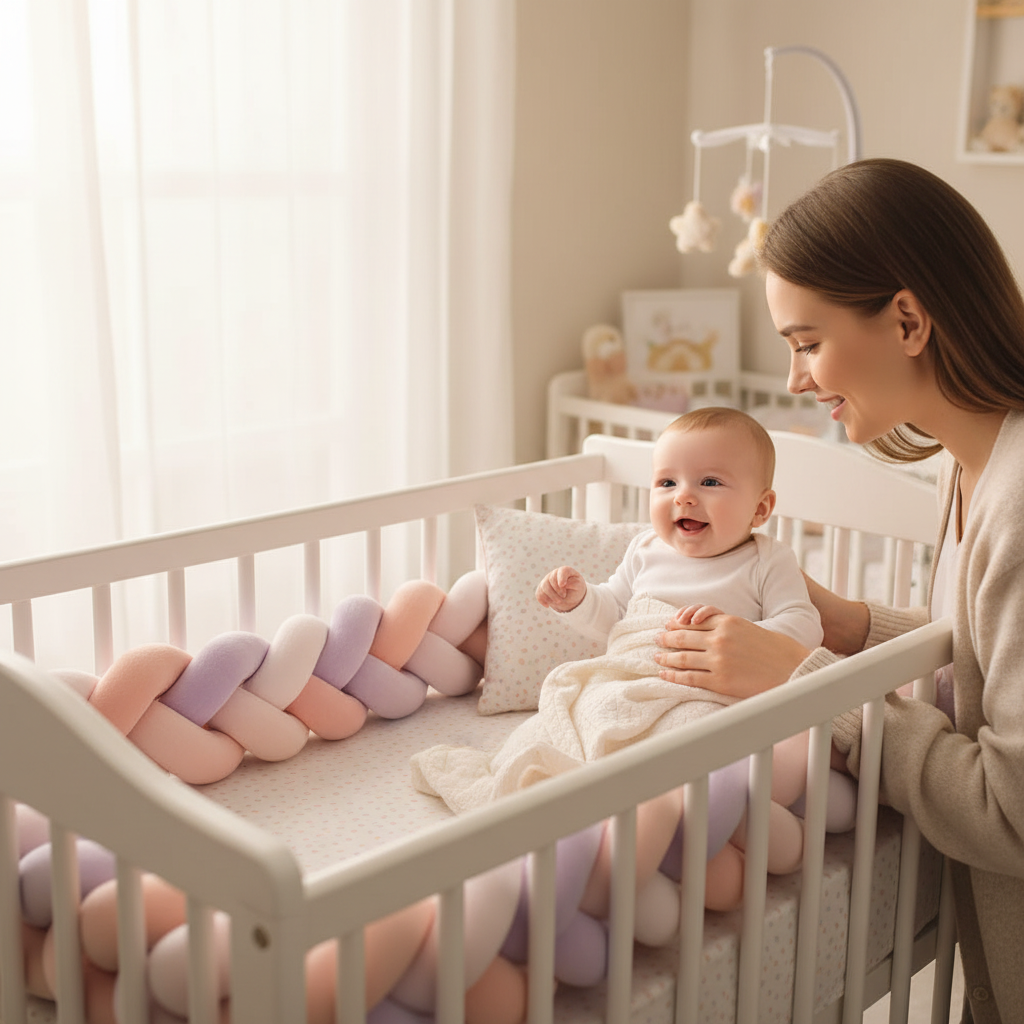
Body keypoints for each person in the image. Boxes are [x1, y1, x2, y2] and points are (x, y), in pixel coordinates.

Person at [654, 157, 1024, 1023]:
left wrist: (809, 687)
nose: (795, 380)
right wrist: (848, 625)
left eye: (808, 343)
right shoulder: (973, 463)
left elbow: (1011, 812)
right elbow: (983, 661)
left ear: (907, 321)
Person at [413, 407, 830, 914]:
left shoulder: (767, 560)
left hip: (701, 690)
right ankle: (544, 796)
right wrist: (579, 600)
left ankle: (635, 816)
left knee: (690, 738)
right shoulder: (646, 548)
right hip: (627, 675)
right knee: (569, 713)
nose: (684, 496)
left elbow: (803, 625)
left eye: (710, 482)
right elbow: (614, 614)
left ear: (760, 508)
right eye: (667, 482)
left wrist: (745, 637)